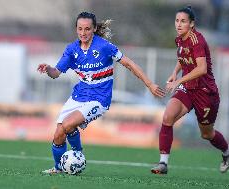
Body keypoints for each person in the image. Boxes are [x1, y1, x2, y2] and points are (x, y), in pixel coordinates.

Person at [37, 11, 166, 174]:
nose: (83, 33)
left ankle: (78, 155)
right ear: (76, 29)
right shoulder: (71, 50)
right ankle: (58, 168)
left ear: (94, 29)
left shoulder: (104, 46)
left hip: (99, 99)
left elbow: (129, 63)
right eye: (80, 29)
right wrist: (48, 69)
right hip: (79, 95)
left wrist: (149, 84)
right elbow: (56, 73)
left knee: (68, 124)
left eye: (87, 29)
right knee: (58, 134)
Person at [150, 6, 229, 174]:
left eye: (183, 21)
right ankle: (163, 163)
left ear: (192, 24)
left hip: (205, 92)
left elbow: (202, 68)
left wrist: (179, 80)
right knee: (168, 117)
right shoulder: (180, 39)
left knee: (207, 134)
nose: (179, 24)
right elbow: (183, 58)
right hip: (188, 88)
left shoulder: (198, 40)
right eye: (177, 20)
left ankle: (227, 151)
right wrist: (175, 73)